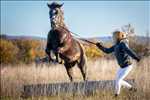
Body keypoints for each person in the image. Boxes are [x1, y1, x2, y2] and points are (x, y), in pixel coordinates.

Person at [96, 31, 140, 97]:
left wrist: (136, 57)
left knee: (119, 80)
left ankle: (116, 95)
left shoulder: (122, 44)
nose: (112, 38)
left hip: (127, 66)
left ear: (117, 37)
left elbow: (128, 51)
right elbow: (107, 51)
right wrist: (100, 46)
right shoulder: (116, 46)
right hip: (121, 67)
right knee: (118, 80)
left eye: (113, 36)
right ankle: (132, 89)